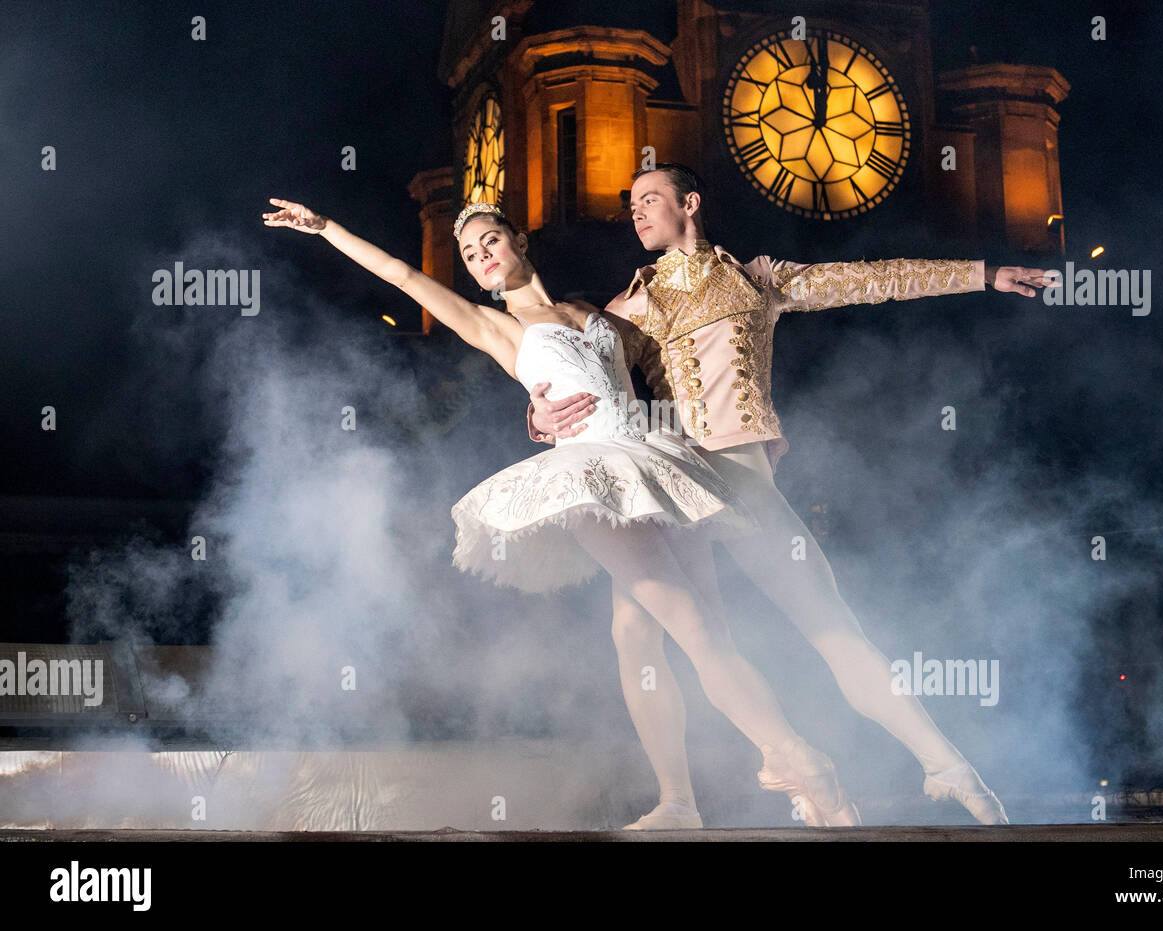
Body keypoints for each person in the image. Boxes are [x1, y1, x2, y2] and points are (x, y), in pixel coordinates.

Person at [262, 196, 862, 828]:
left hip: (656, 465)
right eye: (468, 254)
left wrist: (747, 425)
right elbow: (402, 277)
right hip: (590, 478)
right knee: (688, 624)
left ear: (518, 240)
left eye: (490, 241)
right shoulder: (500, 328)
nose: (480, 257)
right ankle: (793, 755)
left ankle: (684, 801)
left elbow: (677, 367)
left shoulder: (590, 311)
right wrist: (328, 228)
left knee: (639, 635)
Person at [527, 164, 1054, 827]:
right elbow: (575, 378)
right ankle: (684, 800)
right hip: (674, 494)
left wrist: (981, 273)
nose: (635, 212)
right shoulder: (629, 307)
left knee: (832, 630)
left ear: (690, 202)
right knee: (637, 632)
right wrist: (541, 416)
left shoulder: (757, 280)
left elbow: (868, 280)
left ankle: (945, 763)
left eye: (649, 200)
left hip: (744, 488)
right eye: (630, 205)